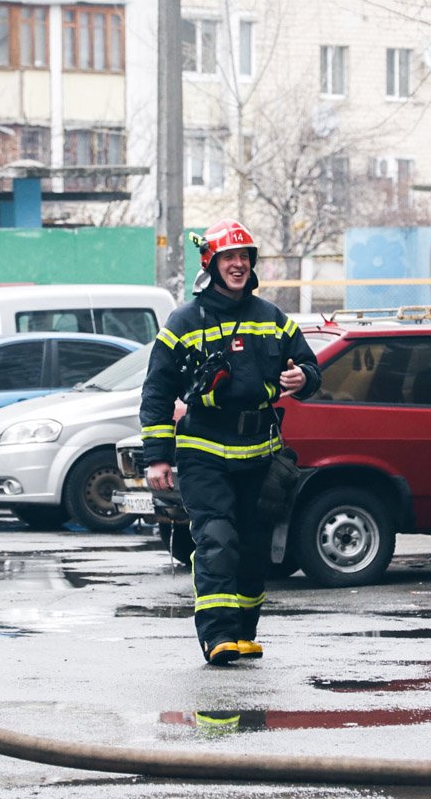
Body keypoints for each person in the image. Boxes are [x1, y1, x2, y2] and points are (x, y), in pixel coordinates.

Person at [139, 218, 321, 666]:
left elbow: (309, 368)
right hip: (204, 451)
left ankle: (244, 633)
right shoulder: (184, 321)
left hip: (259, 454)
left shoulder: (272, 318)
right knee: (217, 539)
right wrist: (158, 457)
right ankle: (217, 636)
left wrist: (305, 377)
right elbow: (157, 391)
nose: (237, 265)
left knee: (254, 547)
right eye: (228, 258)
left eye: (243, 257)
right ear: (212, 263)